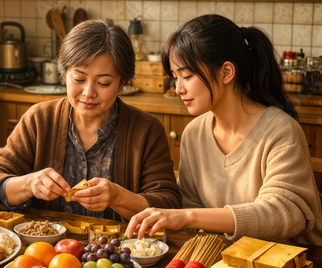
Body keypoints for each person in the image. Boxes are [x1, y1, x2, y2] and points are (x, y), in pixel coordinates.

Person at [125, 14, 322, 245]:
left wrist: (186, 216)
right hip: (225, 261)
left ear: (227, 72)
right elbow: (192, 206)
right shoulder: (194, 133)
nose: (178, 88)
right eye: (175, 77)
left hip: (290, 266)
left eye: (187, 76)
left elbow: (284, 212)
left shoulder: (281, 131)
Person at [0, 18, 181, 221]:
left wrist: (119, 197)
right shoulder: (40, 119)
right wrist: (29, 183)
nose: (88, 93)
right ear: (64, 75)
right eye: (79, 79)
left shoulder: (146, 130)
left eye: (103, 83)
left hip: (117, 251)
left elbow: (169, 204)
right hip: (44, 250)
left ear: (122, 84)